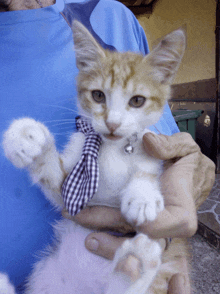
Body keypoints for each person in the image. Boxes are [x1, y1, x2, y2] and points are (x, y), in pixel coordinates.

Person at [0, 0, 215, 293]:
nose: (113, 121)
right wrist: (44, 153)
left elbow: (171, 172)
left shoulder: (111, 16)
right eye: (99, 96)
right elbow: (64, 194)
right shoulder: (83, 141)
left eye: (136, 101)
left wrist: (184, 177)